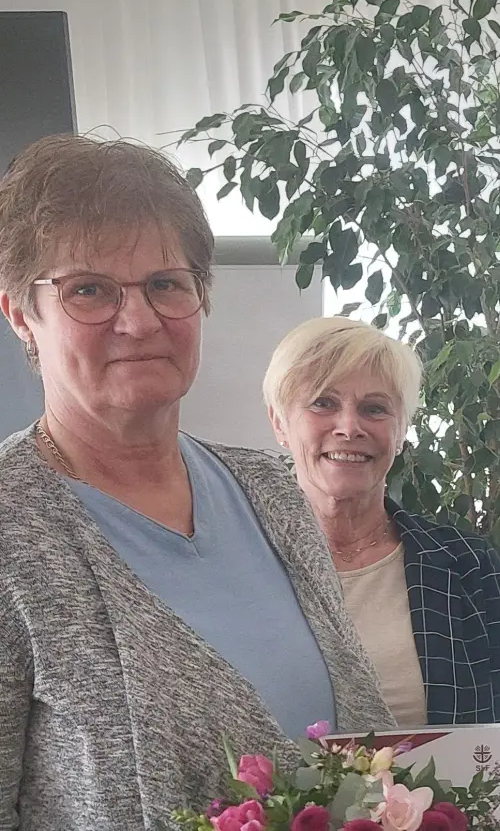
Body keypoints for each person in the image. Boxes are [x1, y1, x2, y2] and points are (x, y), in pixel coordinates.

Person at [0, 134, 392, 829]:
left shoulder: (273, 493)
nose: (138, 319)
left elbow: (358, 761)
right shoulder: (10, 529)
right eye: (88, 289)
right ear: (21, 314)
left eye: (165, 284)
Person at [264, 316, 500, 792]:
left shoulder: (467, 566)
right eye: (323, 403)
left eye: (374, 409)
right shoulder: (238, 561)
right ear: (279, 422)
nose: (349, 427)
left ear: (403, 429)